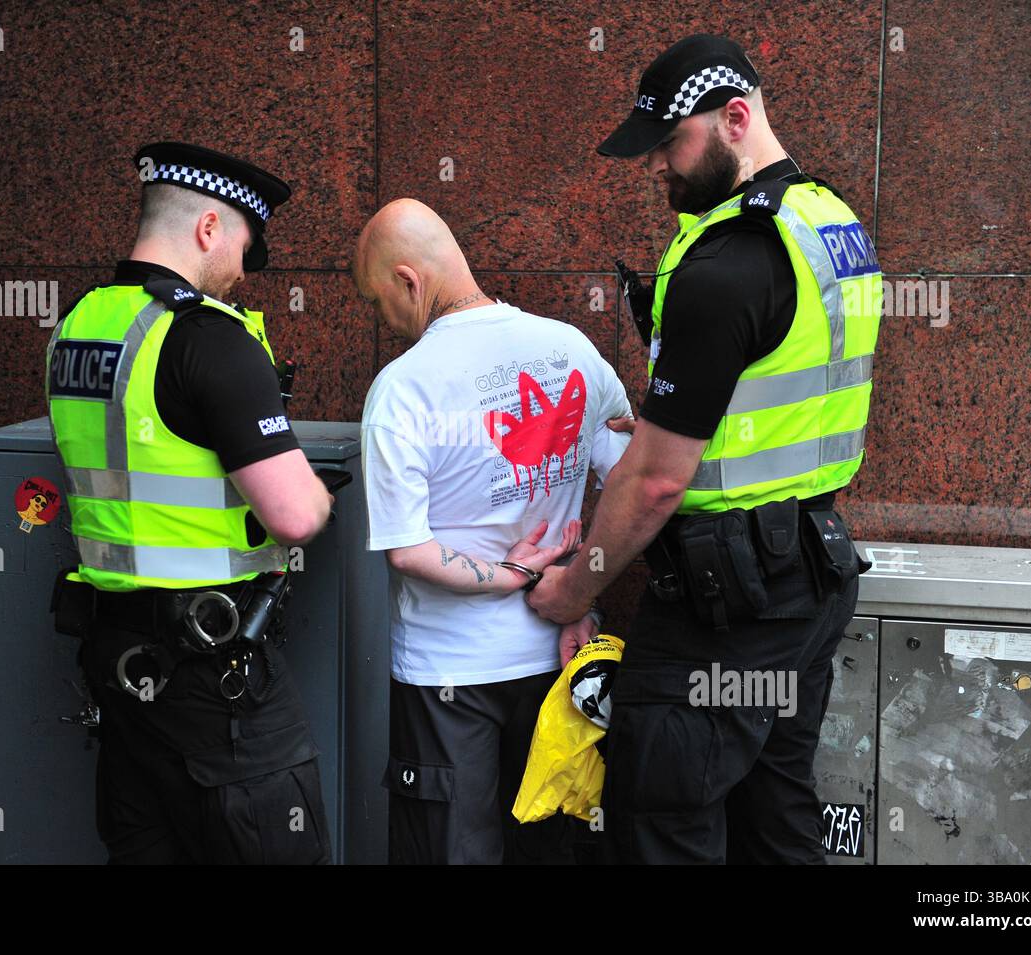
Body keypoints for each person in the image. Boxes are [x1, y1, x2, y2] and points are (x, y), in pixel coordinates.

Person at [526, 35, 881, 864]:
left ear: (734, 118)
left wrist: (574, 592)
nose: (655, 166)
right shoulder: (828, 220)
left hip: (728, 609)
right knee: (774, 808)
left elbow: (653, 485)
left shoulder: (730, 259)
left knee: (663, 814)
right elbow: (789, 383)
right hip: (807, 582)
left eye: (667, 143)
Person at [44, 141, 334, 864]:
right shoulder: (207, 336)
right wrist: (320, 495)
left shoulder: (78, 327)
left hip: (120, 670)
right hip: (214, 680)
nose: (240, 272)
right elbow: (294, 516)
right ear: (208, 228)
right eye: (243, 246)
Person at [353, 198, 633, 864]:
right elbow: (632, 481)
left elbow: (408, 550)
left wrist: (514, 573)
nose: (383, 320)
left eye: (377, 300)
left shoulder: (401, 389)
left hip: (445, 678)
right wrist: (579, 591)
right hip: (556, 666)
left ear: (408, 281)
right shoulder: (572, 348)